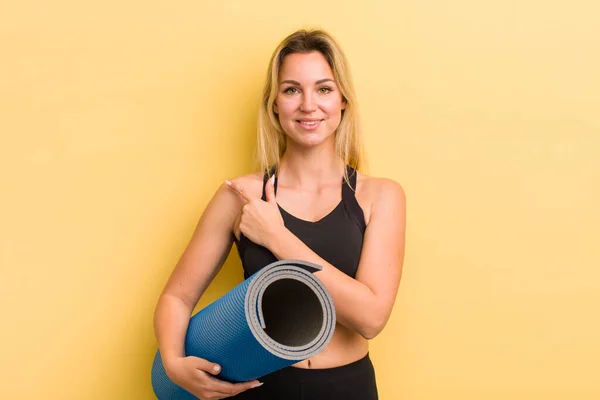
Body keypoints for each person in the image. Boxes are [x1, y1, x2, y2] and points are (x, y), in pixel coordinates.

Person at [153, 28, 406, 400]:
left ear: (343, 101)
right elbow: (176, 297)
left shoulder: (379, 196)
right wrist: (174, 364)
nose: (308, 105)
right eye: (291, 90)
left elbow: (371, 318)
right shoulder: (240, 196)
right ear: (274, 104)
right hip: (258, 388)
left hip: (346, 388)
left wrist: (277, 237)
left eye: (323, 89)